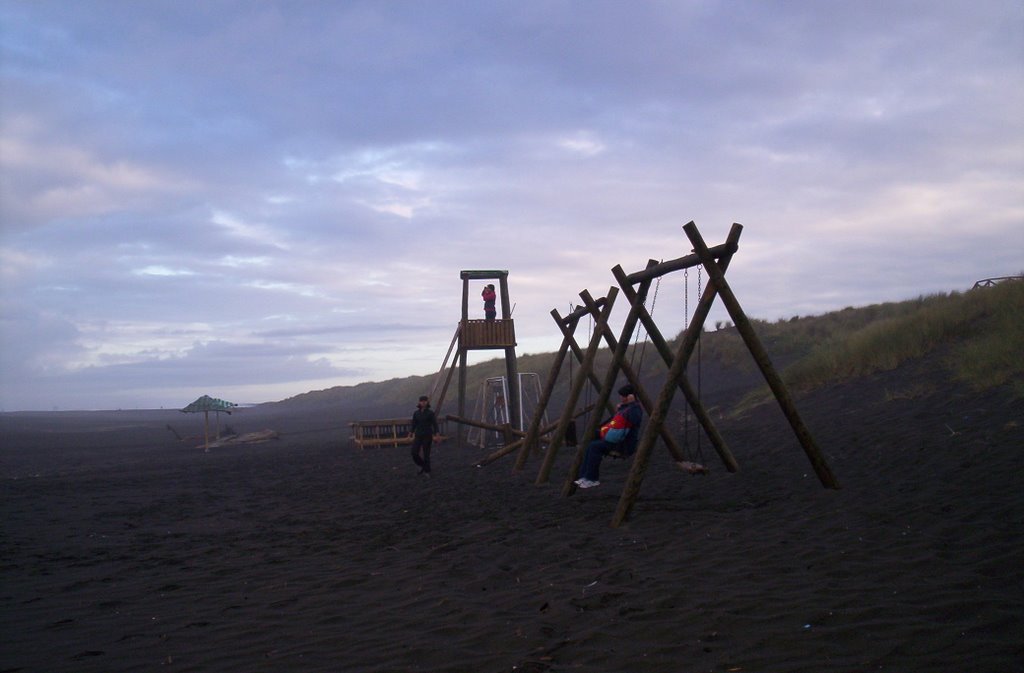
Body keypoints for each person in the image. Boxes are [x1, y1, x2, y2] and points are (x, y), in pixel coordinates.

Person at [574, 384, 643, 489]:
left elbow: (635, 419)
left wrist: (632, 403)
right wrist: (622, 407)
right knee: (590, 443)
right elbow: (618, 420)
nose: (621, 398)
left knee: (594, 447)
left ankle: (592, 479)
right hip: (616, 440)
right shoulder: (627, 408)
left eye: (623, 396)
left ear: (629, 396)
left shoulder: (636, 408)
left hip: (623, 444)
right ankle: (584, 476)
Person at [409, 395, 440, 476]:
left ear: (427, 402)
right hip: (418, 435)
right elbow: (414, 424)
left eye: (425, 401)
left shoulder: (430, 413)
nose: (423, 402)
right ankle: (423, 466)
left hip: (427, 435)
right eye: (422, 401)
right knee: (414, 452)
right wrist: (410, 432)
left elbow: (435, 424)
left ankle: (427, 471)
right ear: (419, 402)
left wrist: (437, 434)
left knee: (426, 454)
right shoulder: (416, 413)